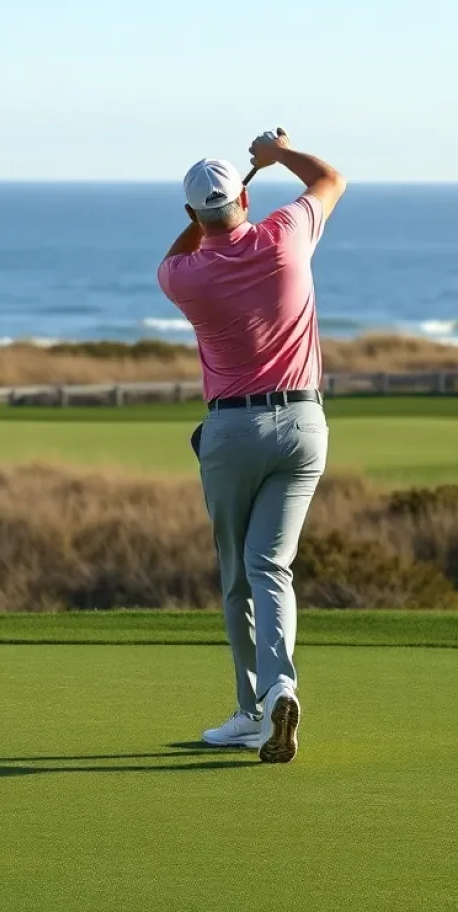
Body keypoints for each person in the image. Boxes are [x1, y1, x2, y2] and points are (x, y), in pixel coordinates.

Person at [157, 131, 346, 763]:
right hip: (304, 426)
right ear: (243, 196)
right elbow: (330, 178)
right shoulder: (287, 233)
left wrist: (218, 209)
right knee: (273, 567)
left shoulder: (183, 277)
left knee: (239, 573)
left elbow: (181, 248)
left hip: (232, 432)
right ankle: (282, 685)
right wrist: (275, 154)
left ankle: (253, 710)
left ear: (191, 214)